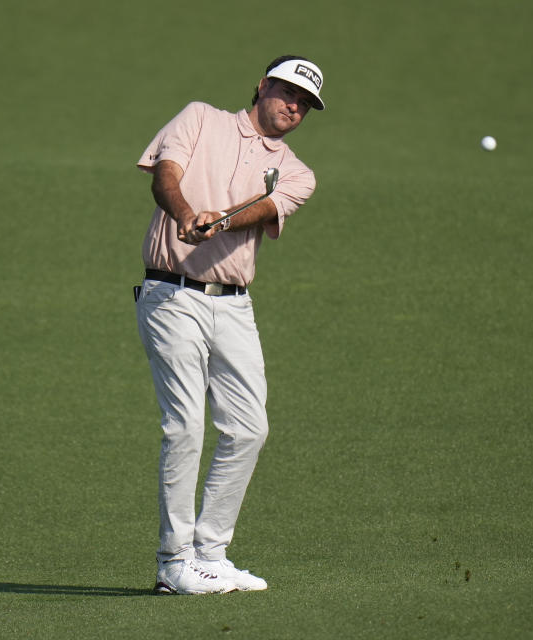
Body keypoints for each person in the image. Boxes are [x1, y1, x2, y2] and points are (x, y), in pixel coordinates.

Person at [134, 55, 325, 595]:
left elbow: (264, 208)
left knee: (249, 428)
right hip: (171, 294)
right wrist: (182, 213)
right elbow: (165, 174)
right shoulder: (200, 118)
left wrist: (212, 223)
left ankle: (210, 553)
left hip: (235, 305)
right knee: (186, 426)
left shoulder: (297, 173)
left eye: (304, 104)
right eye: (287, 91)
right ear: (262, 86)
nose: (293, 106)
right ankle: (174, 561)